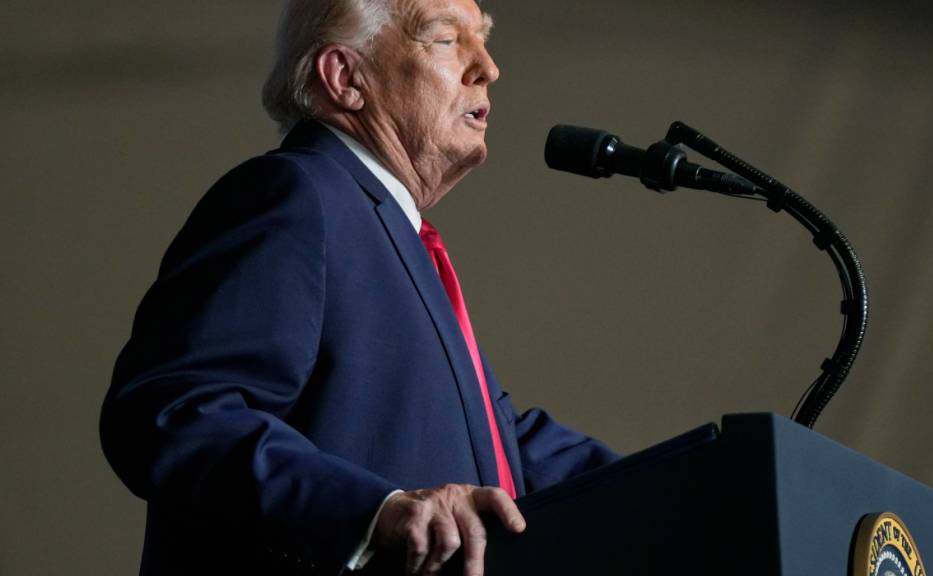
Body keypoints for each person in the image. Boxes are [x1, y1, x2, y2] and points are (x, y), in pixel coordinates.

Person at [99, 1, 619, 575]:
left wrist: (710, 480)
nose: (488, 67)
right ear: (346, 78)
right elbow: (173, 410)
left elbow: (500, 447)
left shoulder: (394, 234)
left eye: (484, 39)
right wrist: (374, 511)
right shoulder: (296, 194)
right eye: (447, 40)